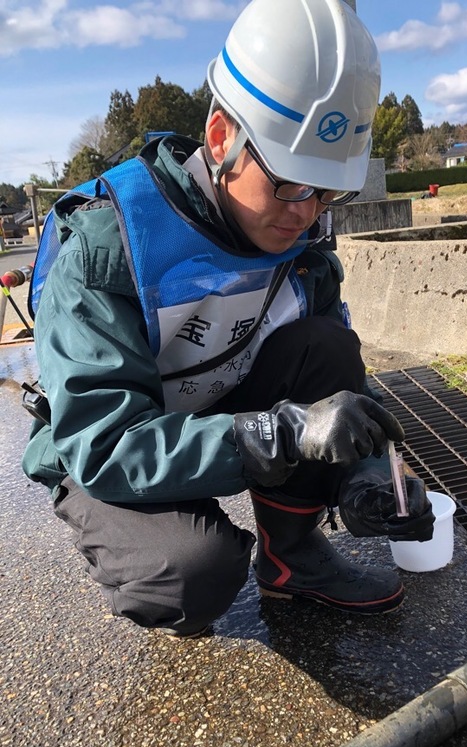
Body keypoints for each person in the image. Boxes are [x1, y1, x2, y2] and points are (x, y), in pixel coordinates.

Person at [22, 0, 434, 638]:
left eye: (327, 192)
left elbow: (338, 382)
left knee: (325, 346)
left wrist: (369, 476)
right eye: (290, 183)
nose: (306, 212)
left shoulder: (304, 242)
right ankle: (148, 549)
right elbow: (102, 444)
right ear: (222, 139)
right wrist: (277, 433)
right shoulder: (111, 244)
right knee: (193, 572)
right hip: (111, 443)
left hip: (220, 406)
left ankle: (292, 558)